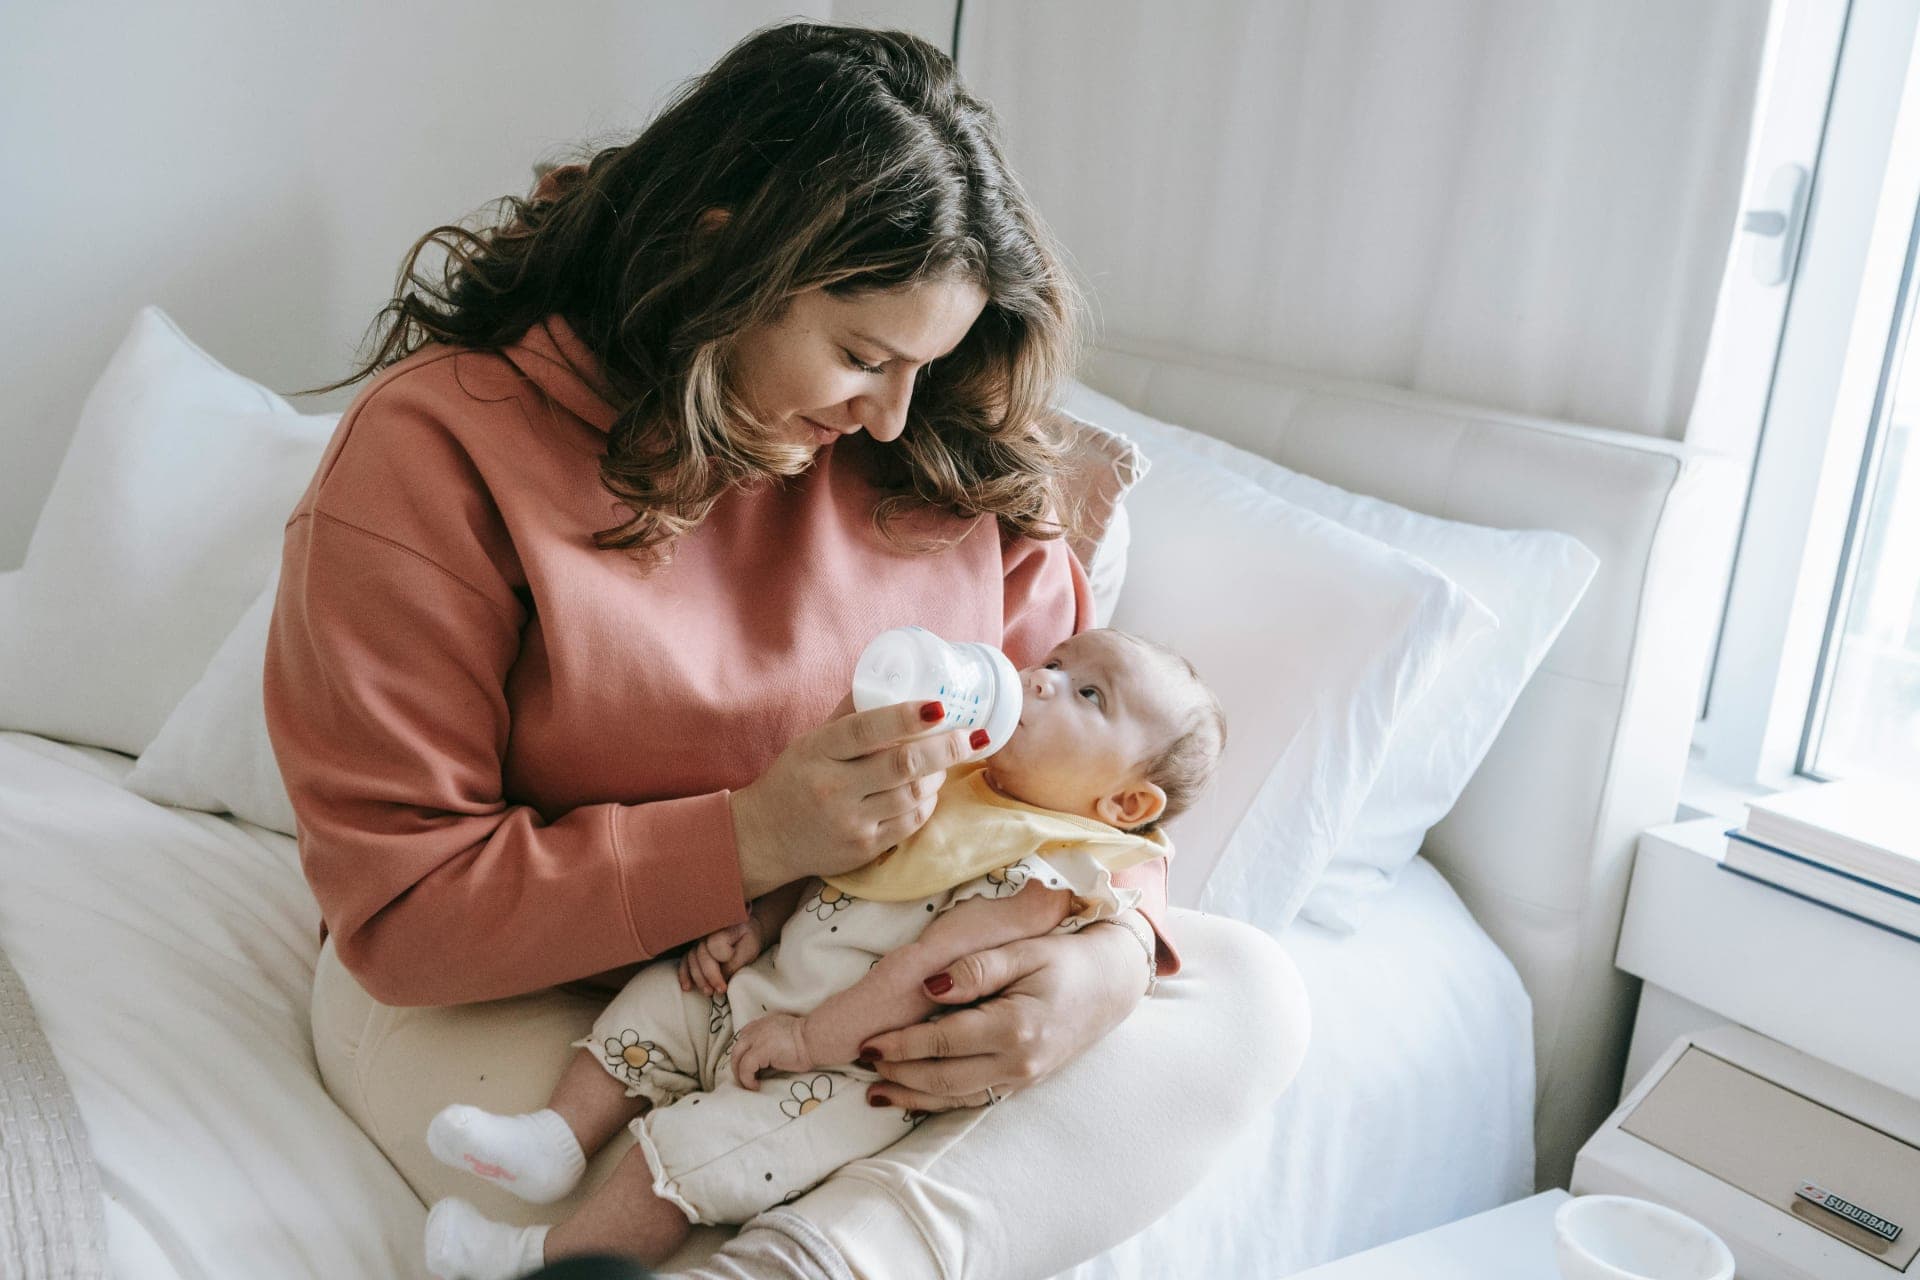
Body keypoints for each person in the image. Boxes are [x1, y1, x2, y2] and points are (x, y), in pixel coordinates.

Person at [265, 21, 1309, 1280]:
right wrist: (753, 838)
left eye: (924, 365)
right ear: (723, 252)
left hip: (840, 981)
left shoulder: (940, 451)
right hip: (509, 993)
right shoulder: (438, 451)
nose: (892, 412)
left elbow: (1079, 807)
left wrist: (1110, 953)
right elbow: (407, 913)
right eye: (865, 354)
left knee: (1247, 991)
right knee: (675, 1172)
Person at [421, 628, 1224, 1279]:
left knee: (683, 1160)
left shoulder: (1044, 870)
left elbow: (921, 974)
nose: (1041, 679)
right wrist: (757, 923)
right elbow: (834, 856)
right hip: (766, 989)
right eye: (1054, 661)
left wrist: (809, 1041)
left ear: (1123, 804)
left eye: (1088, 695)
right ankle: (554, 1141)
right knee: (660, 1004)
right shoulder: (953, 771)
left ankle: (536, 1261)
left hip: (840, 1070)